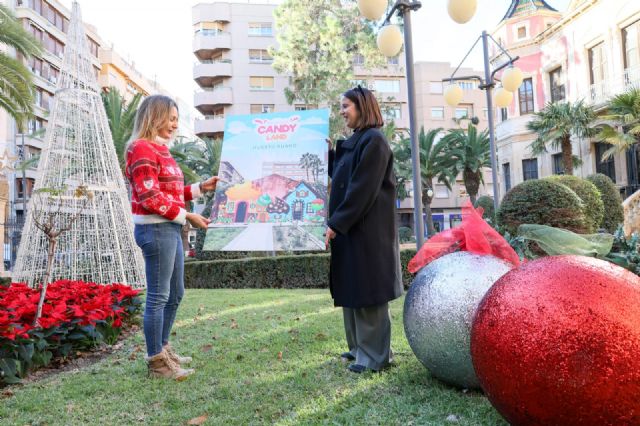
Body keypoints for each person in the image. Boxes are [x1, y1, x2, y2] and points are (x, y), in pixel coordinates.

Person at [125, 95, 219, 380]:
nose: (175, 126)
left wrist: (202, 187)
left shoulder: (160, 150)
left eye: (177, 120)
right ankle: (156, 362)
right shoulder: (140, 148)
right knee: (158, 296)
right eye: (171, 119)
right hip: (155, 229)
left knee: (175, 293)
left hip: (169, 228)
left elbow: (171, 192)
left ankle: (163, 348)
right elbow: (149, 196)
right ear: (155, 116)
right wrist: (188, 216)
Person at [325, 86, 403, 373]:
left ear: (363, 106)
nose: (342, 111)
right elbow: (343, 176)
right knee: (353, 289)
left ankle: (375, 357)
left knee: (368, 292)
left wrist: (335, 223)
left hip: (368, 233)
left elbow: (361, 189)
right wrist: (328, 153)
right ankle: (359, 348)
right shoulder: (357, 140)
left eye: (347, 106)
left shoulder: (375, 141)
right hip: (352, 230)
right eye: (341, 106)